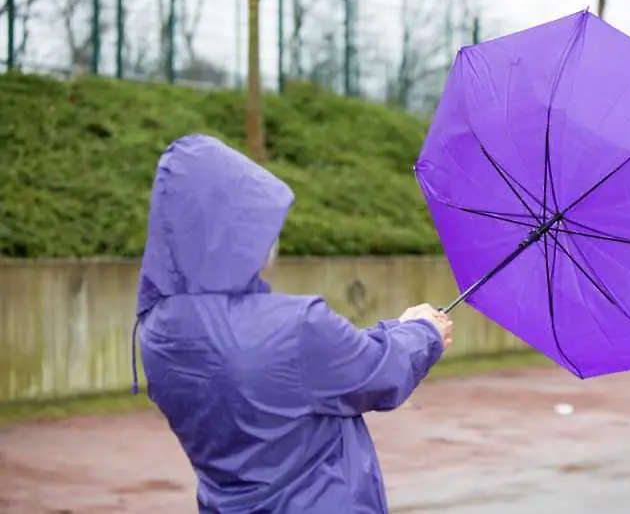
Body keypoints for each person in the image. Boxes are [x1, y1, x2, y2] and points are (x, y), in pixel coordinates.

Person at [133, 133, 452, 513]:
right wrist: (423, 332)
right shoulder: (296, 325)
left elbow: (307, 369)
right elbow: (377, 372)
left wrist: (396, 331)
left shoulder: (157, 331)